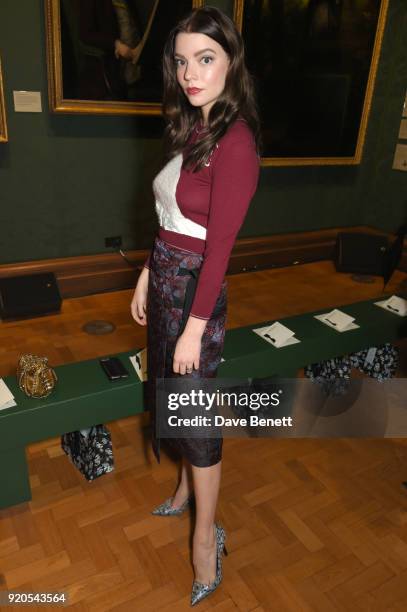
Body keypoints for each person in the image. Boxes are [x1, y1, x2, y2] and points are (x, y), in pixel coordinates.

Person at [130, 5, 261, 606]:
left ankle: (205, 537)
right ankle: (184, 491)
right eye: (182, 60)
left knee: (198, 416)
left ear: (231, 62)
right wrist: (145, 274)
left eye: (205, 59)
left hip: (196, 297)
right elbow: (173, 219)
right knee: (173, 397)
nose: (191, 72)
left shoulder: (235, 144)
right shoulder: (194, 127)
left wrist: (194, 327)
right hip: (167, 280)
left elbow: (219, 250)